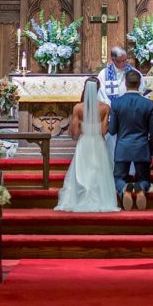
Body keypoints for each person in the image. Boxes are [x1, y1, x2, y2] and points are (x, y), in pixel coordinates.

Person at [55, 78, 119, 212]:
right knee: (98, 171)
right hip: (98, 142)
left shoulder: (78, 108)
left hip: (84, 142)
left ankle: (80, 198)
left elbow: (75, 132)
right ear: (98, 89)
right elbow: (103, 131)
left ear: (85, 88)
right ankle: (101, 199)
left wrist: (82, 128)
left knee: (82, 171)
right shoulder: (105, 107)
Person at [109, 70, 153, 211]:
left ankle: (124, 188)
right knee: (145, 179)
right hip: (141, 147)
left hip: (123, 147)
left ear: (125, 83)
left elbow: (112, 130)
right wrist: (152, 152)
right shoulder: (148, 104)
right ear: (139, 84)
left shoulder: (117, 103)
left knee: (118, 179)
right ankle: (140, 187)